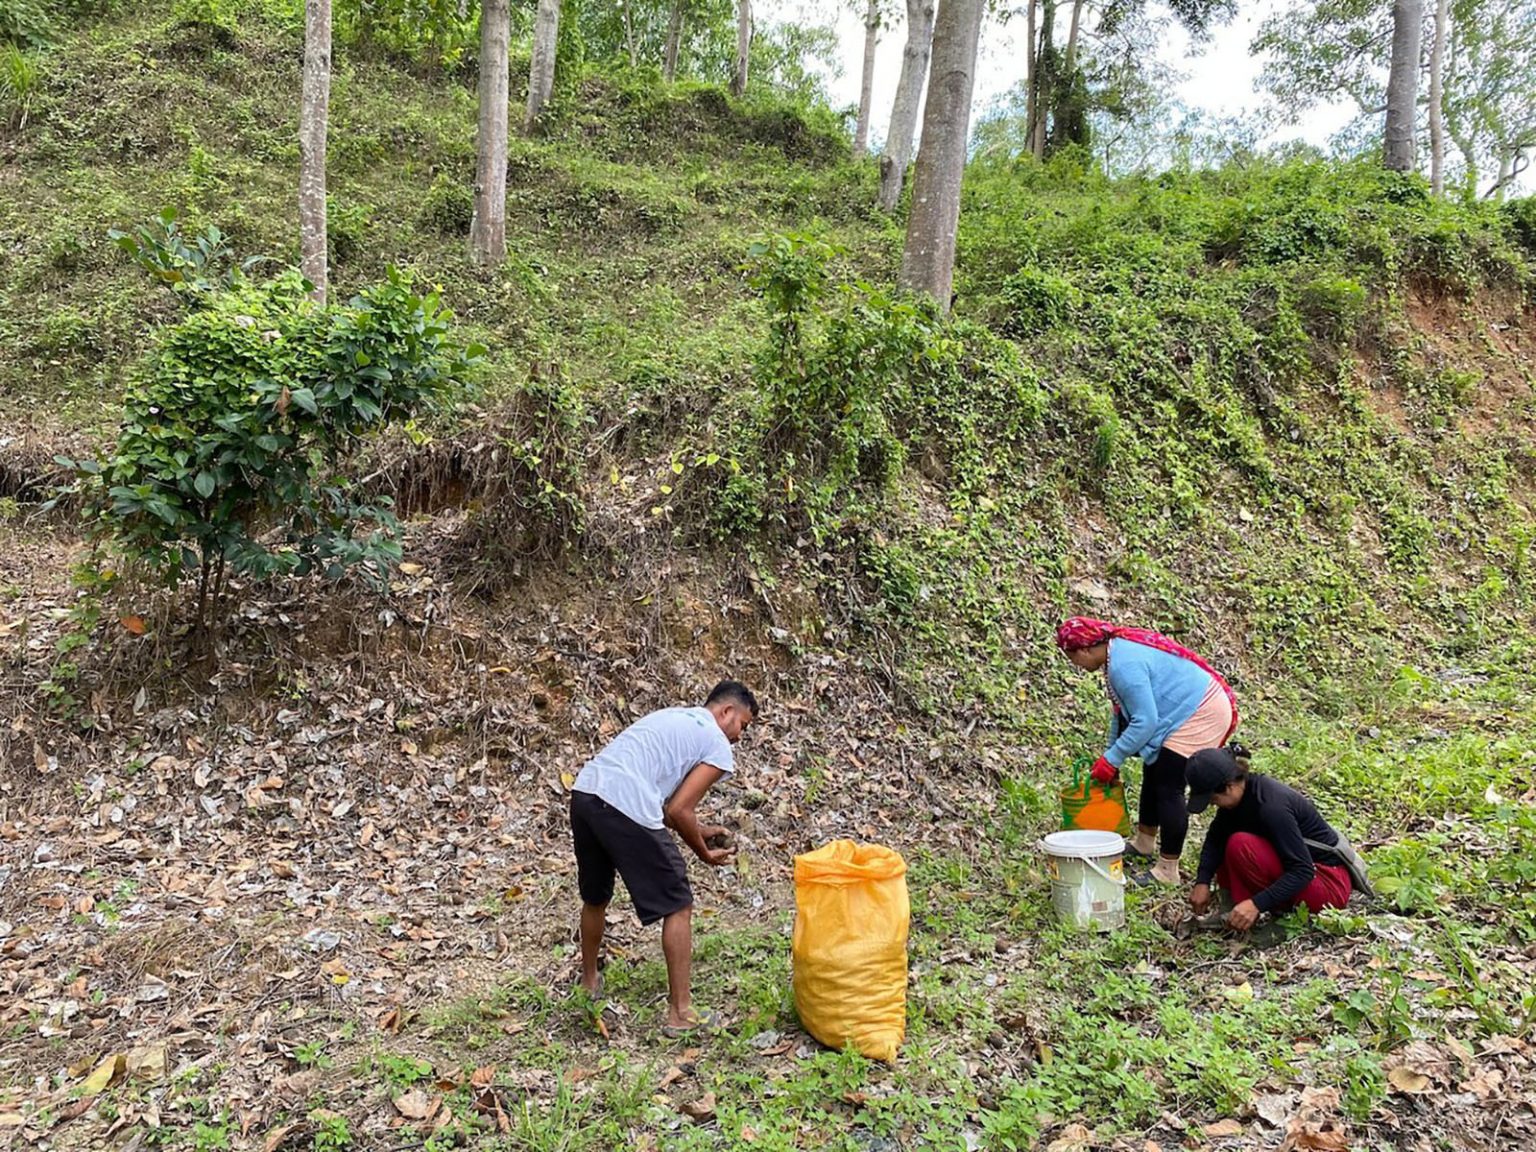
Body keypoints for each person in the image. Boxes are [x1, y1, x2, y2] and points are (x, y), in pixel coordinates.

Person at [569, 679, 758, 1035]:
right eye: (742, 726)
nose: (739, 737)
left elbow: (672, 813)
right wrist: (703, 854)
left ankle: (589, 982)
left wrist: (697, 831)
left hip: (586, 793)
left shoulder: (677, 717)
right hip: (625, 803)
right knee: (679, 904)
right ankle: (680, 1012)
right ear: (726, 711)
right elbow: (680, 808)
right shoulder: (716, 742)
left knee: (596, 897)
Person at [1056, 617, 1238, 884]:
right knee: (1153, 771)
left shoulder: (1123, 666)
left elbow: (1145, 721)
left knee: (1168, 783)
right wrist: (1111, 757)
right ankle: (1144, 842)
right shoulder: (1115, 654)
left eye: (1073, 659)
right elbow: (1121, 715)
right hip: (1184, 709)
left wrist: (1113, 758)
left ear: (1084, 650)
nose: (1078, 667)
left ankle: (1168, 870)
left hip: (1202, 710)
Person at [1185, 746, 1352, 929]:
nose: (1213, 805)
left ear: (1229, 787)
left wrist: (1257, 904)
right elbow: (1215, 840)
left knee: (1240, 844)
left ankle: (1284, 920)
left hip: (1327, 885)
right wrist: (1202, 881)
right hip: (1302, 875)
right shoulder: (1237, 801)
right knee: (1228, 839)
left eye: (1213, 800)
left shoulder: (1271, 807)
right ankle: (1232, 910)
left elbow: (1302, 871)